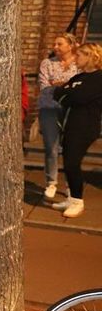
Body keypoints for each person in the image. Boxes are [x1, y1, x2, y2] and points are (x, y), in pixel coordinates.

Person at [51, 42, 102, 218]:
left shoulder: (98, 77)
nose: (76, 58)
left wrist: (67, 93)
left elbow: (78, 97)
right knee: (68, 162)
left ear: (90, 57)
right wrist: (66, 93)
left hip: (85, 127)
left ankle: (78, 201)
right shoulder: (77, 78)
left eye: (79, 55)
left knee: (73, 163)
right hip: (70, 125)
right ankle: (72, 197)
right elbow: (58, 94)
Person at [37, 33, 79, 199]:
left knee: (71, 148)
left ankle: (71, 184)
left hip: (72, 110)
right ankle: (51, 182)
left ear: (70, 45)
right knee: (51, 146)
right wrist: (67, 85)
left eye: (59, 44)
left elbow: (81, 87)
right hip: (49, 109)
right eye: (54, 44)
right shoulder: (47, 63)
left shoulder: (80, 64)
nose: (55, 47)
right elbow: (45, 86)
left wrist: (60, 85)